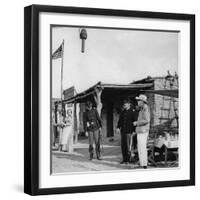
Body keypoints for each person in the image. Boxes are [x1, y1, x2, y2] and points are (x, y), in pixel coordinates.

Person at [117, 99, 138, 164]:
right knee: (123, 146)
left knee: (128, 146)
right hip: (123, 131)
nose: (124, 105)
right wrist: (118, 127)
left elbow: (135, 122)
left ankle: (129, 159)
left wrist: (134, 131)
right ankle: (124, 159)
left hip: (129, 131)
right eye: (124, 104)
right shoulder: (123, 112)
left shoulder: (133, 111)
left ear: (129, 104)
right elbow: (120, 120)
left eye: (125, 104)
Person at [133, 94, 150, 169]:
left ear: (142, 101)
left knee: (142, 148)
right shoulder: (141, 108)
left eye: (138, 100)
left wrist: (137, 123)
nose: (137, 102)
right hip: (140, 130)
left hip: (143, 130)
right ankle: (142, 164)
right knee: (140, 147)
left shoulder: (145, 108)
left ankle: (144, 164)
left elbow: (147, 120)